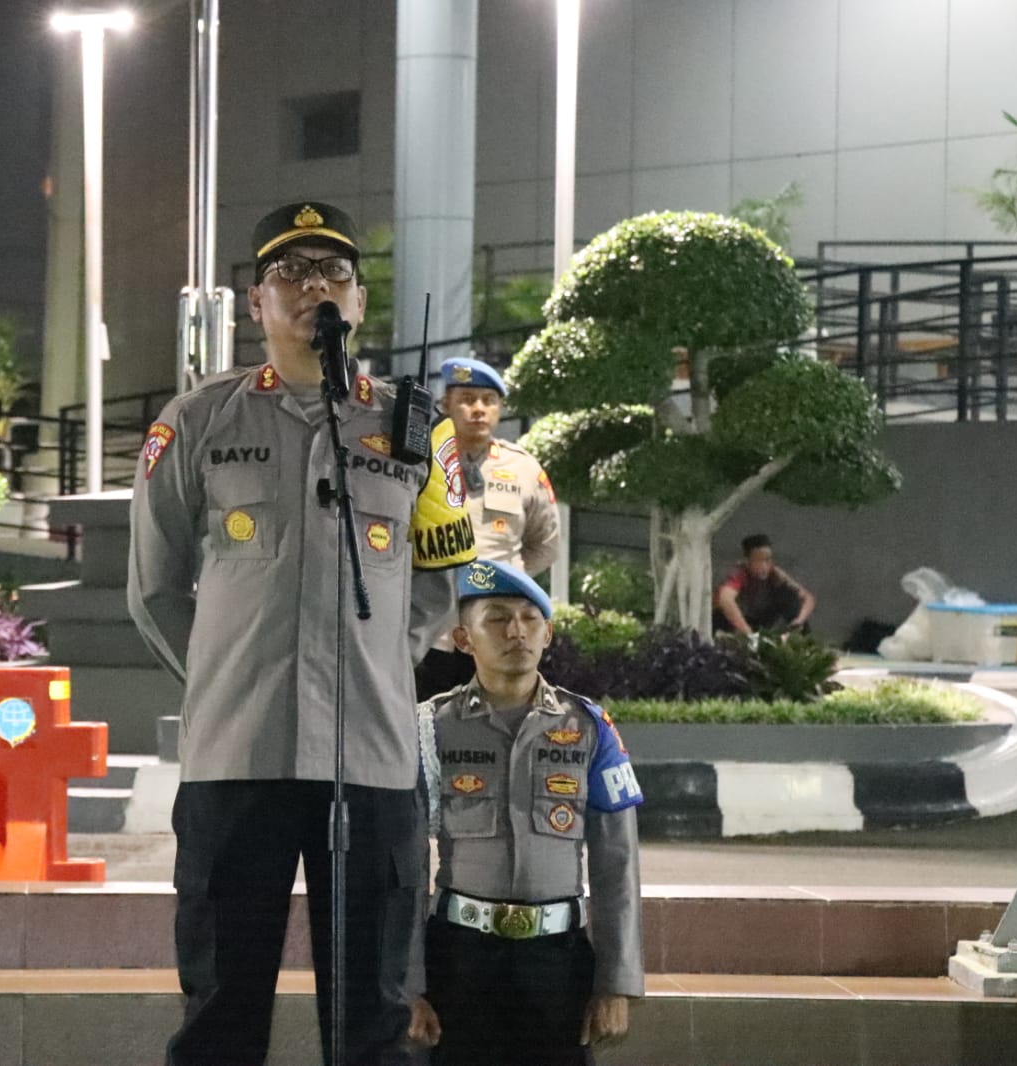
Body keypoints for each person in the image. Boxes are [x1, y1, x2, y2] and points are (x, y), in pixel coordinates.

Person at [128, 199, 476, 1066]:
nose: (312, 286)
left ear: (359, 301)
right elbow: (155, 590)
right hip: (235, 759)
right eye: (289, 271)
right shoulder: (197, 422)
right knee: (220, 1012)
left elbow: (441, 578)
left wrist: (379, 670)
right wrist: (226, 678)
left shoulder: (417, 428)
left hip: (372, 762)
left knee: (373, 1021)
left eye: (332, 272)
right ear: (256, 302)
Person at [408, 558, 644, 1065]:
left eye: (529, 618)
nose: (516, 631)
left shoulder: (589, 728)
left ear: (547, 634)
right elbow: (405, 865)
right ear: (463, 639)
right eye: (496, 618)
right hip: (459, 961)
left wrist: (616, 982)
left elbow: (617, 865)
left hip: (558, 965)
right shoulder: (429, 729)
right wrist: (408, 984)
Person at [414, 356, 560, 701]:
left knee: (500, 716)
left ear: (500, 408)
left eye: (488, 400)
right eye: (466, 400)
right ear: (445, 405)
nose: (478, 409)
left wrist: (503, 579)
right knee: (423, 719)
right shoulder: (419, 463)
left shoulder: (523, 468)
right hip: (432, 631)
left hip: (499, 633)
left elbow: (546, 545)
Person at [713, 532, 816, 636]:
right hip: (735, 621)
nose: (764, 566)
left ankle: (804, 640)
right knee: (720, 615)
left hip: (760, 620)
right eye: (758, 561)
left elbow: (807, 598)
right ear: (747, 561)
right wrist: (747, 632)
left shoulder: (776, 574)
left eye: (767, 560)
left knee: (787, 593)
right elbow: (725, 599)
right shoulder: (739, 574)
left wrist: (799, 620)